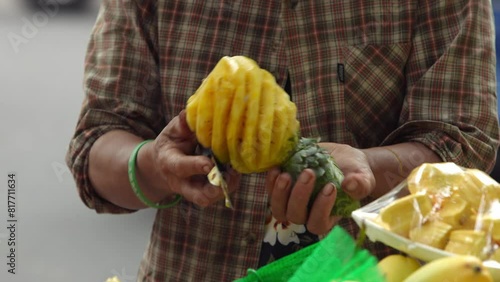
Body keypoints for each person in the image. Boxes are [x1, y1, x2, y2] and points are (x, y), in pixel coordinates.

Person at [66, 0, 500, 281]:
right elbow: (97, 143)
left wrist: (374, 167)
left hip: (366, 271)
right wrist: (156, 166)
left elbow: (464, 140)